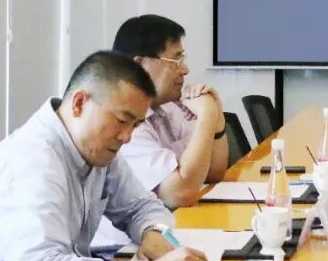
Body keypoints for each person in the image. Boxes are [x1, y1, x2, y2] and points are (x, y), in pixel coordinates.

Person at [0, 51, 209, 261]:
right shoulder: (32, 163)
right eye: (122, 120)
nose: (127, 137)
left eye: (135, 125)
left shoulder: (95, 148)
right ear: (79, 104)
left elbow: (141, 206)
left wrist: (152, 232)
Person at [93, 15, 228, 246]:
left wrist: (217, 119)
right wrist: (206, 116)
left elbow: (213, 172)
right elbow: (179, 193)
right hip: (122, 252)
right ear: (140, 65)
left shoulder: (163, 112)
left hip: (163, 236)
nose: (185, 70)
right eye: (175, 60)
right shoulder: (124, 125)